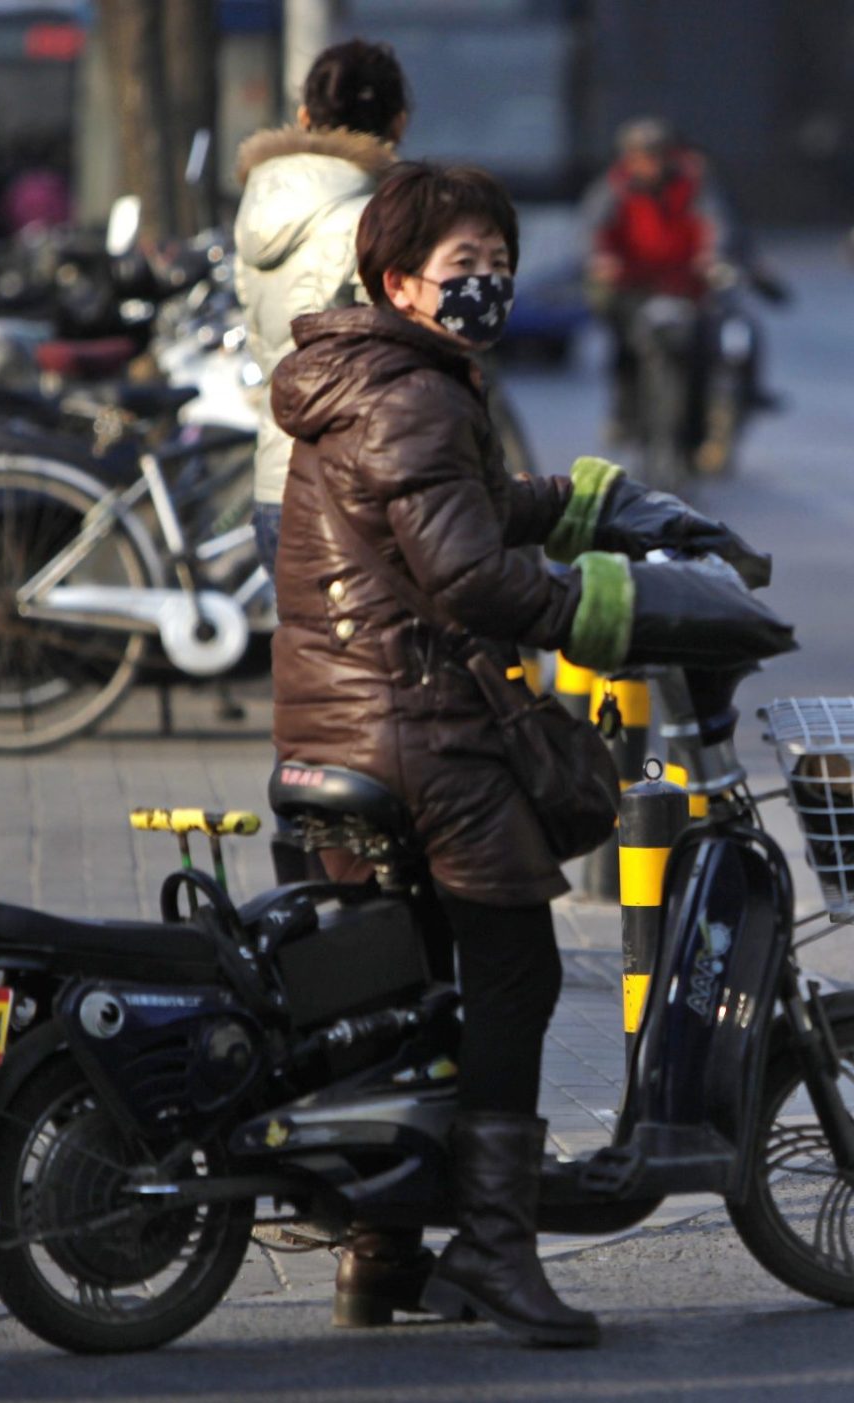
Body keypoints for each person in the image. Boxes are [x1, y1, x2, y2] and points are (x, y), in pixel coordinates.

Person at [269, 161, 653, 1347]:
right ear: (397, 280)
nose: (484, 287)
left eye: (498, 267)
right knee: (514, 974)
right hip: (416, 725)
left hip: (342, 717)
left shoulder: (377, 376)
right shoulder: (416, 394)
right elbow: (472, 574)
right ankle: (494, 1244)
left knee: (406, 994)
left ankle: (379, 1258)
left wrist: (594, 508)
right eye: (461, 270)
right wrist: (610, 602)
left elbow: (465, 506)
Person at [235, 39, 411, 579]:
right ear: (399, 124)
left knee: (306, 659)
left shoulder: (256, 208)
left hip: (274, 487)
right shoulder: (382, 221)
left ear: (305, 116)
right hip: (356, 492)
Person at [582, 117, 726, 448]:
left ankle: (696, 435)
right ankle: (624, 416)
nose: (650, 164)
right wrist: (601, 260)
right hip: (633, 285)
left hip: (685, 285)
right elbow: (592, 229)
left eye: (657, 155)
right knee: (624, 345)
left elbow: (716, 225)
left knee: (702, 353)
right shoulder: (614, 188)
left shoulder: (694, 185)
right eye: (642, 156)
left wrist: (712, 259)